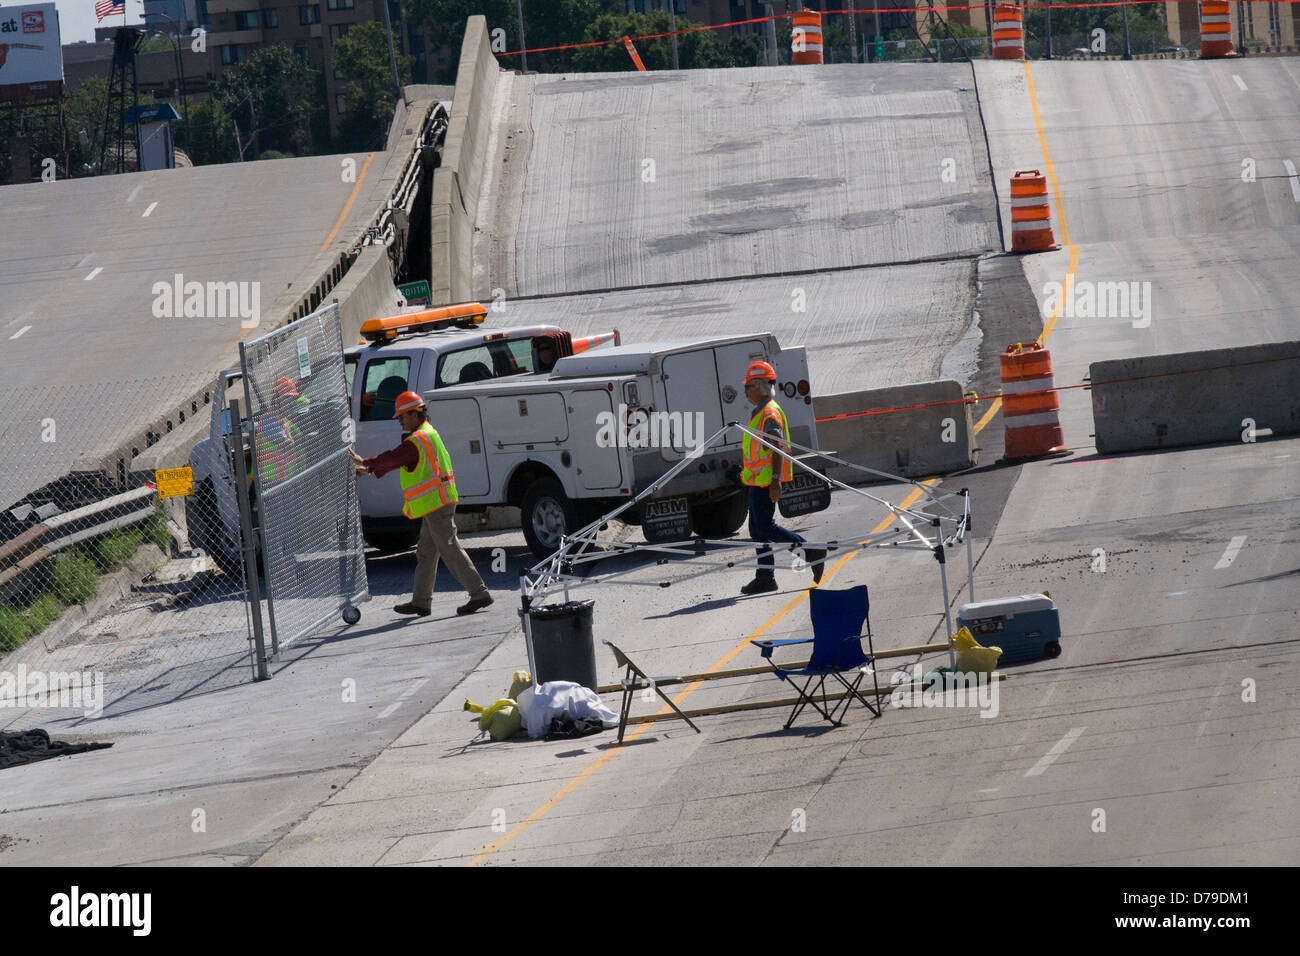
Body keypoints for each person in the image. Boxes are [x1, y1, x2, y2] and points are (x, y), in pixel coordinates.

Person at [348, 391, 493, 617]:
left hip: (436, 503)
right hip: (437, 501)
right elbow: (397, 459)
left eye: (403, 417)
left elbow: (395, 457)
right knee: (426, 552)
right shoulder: (427, 433)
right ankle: (421, 602)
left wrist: (366, 464)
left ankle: (479, 593)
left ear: (415, 414)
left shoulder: (417, 440)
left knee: (449, 548)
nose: (400, 422)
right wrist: (368, 468)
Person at [738, 361, 825, 595]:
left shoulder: (769, 413)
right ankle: (765, 577)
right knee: (757, 530)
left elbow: (777, 447)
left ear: (759, 387)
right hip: (759, 481)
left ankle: (810, 552)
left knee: (765, 527)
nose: (745, 391)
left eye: (748, 386)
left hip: (767, 482)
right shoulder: (761, 411)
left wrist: (775, 480)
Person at [256, 377, 304, 483]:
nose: (290, 403)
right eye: (287, 398)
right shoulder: (269, 419)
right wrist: (301, 442)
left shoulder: (283, 420)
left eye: (292, 399)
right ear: (277, 399)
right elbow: (285, 444)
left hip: (286, 480)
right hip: (273, 482)